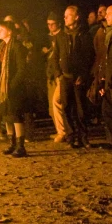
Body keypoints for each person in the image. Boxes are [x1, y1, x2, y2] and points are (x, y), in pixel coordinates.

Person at [53, 6, 94, 148]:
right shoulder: (61, 36)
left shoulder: (84, 35)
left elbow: (89, 57)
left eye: (68, 15)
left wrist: (83, 75)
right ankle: (71, 137)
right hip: (65, 77)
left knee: (81, 109)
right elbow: (55, 56)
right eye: (64, 16)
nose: (65, 18)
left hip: (78, 78)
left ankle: (83, 137)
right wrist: (58, 73)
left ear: (76, 17)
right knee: (66, 108)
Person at [0, 21, 29, 157]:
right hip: (2, 87)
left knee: (16, 116)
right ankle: (12, 143)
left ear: (10, 31)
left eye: (2, 29)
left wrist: (11, 85)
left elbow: (22, 69)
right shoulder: (1, 47)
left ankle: (20, 145)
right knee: (7, 116)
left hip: (13, 87)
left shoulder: (17, 47)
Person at [43, 12, 70, 142]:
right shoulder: (50, 37)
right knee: (53, 104)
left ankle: (63, 131)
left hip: (60, 74)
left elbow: (59, 56)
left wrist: (59, 73)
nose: (50, 26)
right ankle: (60, 130)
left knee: (58, 101)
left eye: (52, 24)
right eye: (48, 24)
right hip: (52, 73)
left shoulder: (62, 36)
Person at [99, 5, 112, 146]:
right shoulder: (107, 34)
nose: (106, 16)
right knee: (107, 111)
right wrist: (103, 78)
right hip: (109, 80)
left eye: (109, 14)